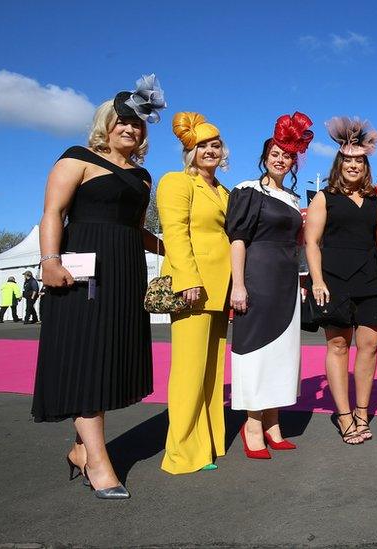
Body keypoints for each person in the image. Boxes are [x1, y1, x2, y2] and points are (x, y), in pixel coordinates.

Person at [31, 75, 167, 499]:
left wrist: (175, 246)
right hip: (79, 273)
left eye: (138, 124)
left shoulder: (144, 177)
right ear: (106, 124)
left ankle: (80, 449)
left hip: (125, 274)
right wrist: (49, 261)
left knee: (108, 360)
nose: (130, 128)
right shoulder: (77, 158)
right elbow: (53, 212)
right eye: (122, 121)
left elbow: (138, 228)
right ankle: (98, 462)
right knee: (87, 359)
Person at [227, 113, 312, 457]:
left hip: (287, 283)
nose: (281, 159)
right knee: (256, 352)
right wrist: (238, 284)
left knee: (282, 354)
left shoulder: (292, 198)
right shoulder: (248, 190)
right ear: (265, 156)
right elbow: (237, 239)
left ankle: (273, 422)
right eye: (276, 153)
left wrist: (303, 280)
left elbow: (299, 243)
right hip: (257, 278)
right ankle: (252, 424)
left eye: (287, 155)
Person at [157, 112, 232, 473]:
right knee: (188, 371)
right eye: (201, 145)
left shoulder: (223, 190)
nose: (209, 151)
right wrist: (188, 278)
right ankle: (183, 452)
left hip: (220, 289)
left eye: (215, 145)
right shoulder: (176, 182)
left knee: (211, 371)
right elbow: (174, 233)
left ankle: (210, 443)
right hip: (193, 288)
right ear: (189, 151)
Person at [304, 116, 377, 444]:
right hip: (334, 281)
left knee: (369, 347)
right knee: (338, 345)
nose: (353, 166)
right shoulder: (324, 198)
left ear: (366, 166)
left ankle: (363, 411)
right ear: (339, 164)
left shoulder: (375, 200)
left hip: (369, 280)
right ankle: (345, 415)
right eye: (348, 161)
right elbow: (311, 242)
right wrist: (318, 281)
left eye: (359, 162)